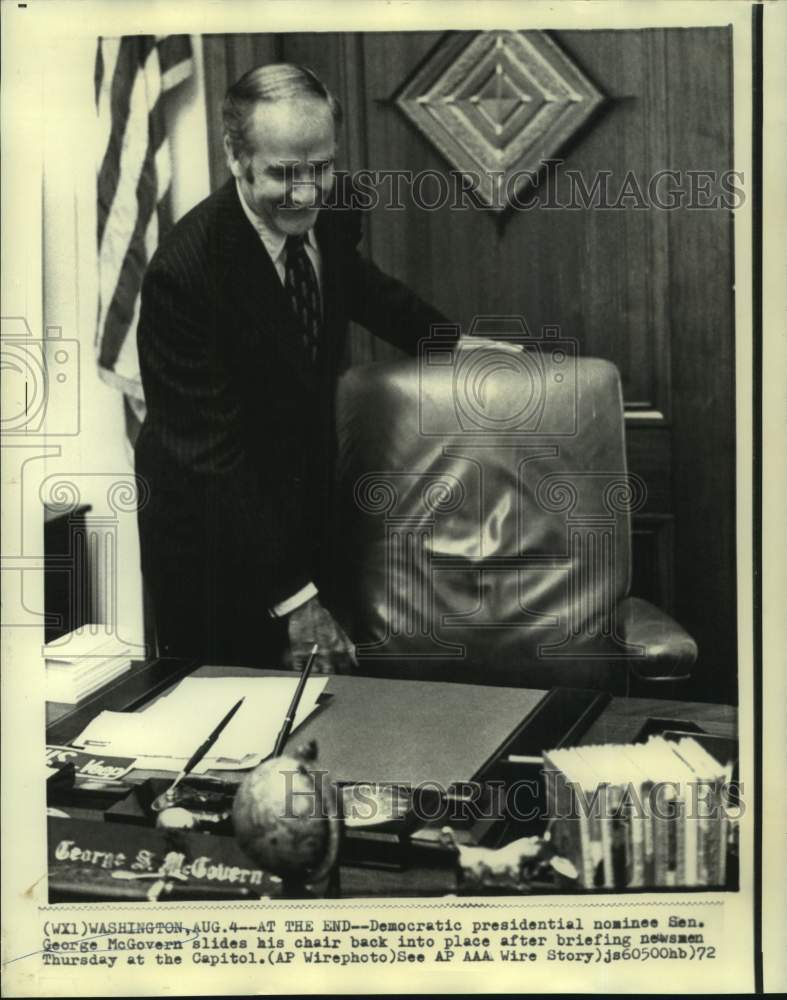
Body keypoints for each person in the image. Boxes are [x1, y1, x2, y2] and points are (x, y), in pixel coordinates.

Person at [135, 63, 451, 668]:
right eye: (283, 173)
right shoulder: (185, 275)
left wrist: (456, 344)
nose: (307, 192)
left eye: (321, 168)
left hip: (305, 519)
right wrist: (298, 600)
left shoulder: (327, 207)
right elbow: (213, 462)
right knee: (235, 735)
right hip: (213, 547)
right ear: (235, 156)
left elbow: (354, 284)